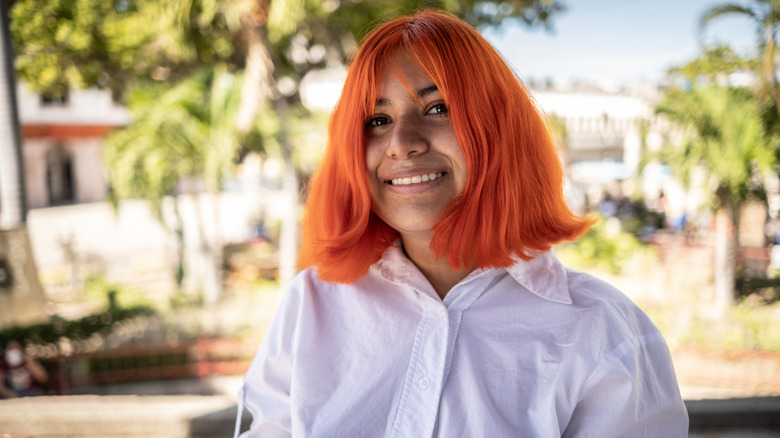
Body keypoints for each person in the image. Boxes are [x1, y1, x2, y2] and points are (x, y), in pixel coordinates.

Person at [235, 10, 688, 437]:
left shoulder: (601, 331)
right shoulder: (311, 305)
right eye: (378, 119)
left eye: (437, 108)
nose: (402, 143)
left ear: (498, 128)